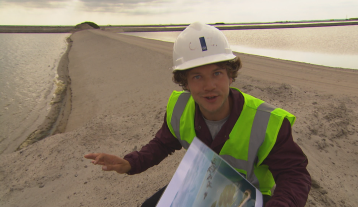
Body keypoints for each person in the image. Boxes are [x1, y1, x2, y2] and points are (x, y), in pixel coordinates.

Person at [84, 22, 311, 206]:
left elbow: (293, 173)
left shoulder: (266, 120)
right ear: (185, 83)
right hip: (201, 186)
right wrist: (130, 163)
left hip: (249, 198)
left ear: (231, 76)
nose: (209, 85)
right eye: (197, 77)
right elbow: (162, 144)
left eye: (217, 73)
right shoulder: (180, 108)